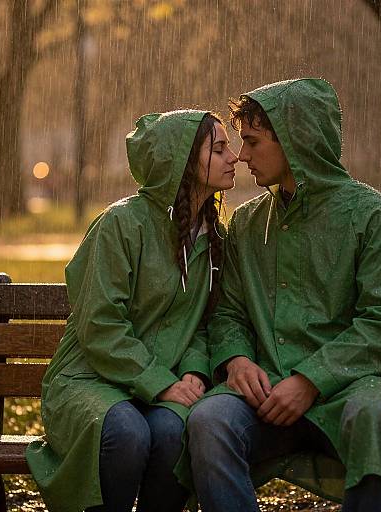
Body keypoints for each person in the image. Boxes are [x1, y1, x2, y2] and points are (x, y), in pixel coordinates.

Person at [187, 79, 381, 512]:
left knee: (376, 419)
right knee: (209, 422)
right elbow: (229, 313)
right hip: (266, 389)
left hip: (354, 388)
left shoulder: (374, 217)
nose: (241, 155)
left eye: (252, 141)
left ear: (296, 141)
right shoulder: (248, 223)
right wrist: (236, 360)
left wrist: (312, 379)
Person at [26, 110, 238, 512]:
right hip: (89, 378)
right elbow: (99, 324)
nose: (234, 157)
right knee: (127, 433)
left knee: (174, 434)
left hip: (165, 382)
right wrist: (159, 382)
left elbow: (205, 323)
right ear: (182, 160)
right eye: (219, 149)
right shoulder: (121, 224)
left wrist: (192, 372)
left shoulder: (214, 237)